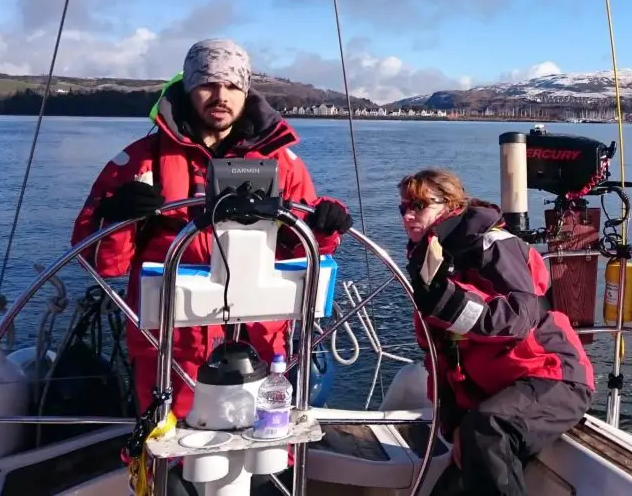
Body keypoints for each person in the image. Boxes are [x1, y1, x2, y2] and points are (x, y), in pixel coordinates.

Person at [70, 38, 353, 422]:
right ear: (188, 87)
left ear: (246, 91)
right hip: (169, 346)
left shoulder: (283, 163)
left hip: (261, 344)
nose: (221, 96)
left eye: (233, 85)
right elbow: (100, 262)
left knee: (264, 447)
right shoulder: (139, 160)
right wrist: (117, 217)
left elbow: (305, 252)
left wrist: (324, 226)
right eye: (208, 84)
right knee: (167, 449)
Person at [398, 168, 595, 496]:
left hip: (553, 377)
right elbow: (440, 356)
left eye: (418, 205)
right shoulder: (432, 265)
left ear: (451, 205)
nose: (407, 216)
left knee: (487, 429)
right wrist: (455, 423)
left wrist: (448, 302)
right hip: (499, 393)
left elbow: (519, 318)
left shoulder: (494, 246)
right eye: (403, 207)